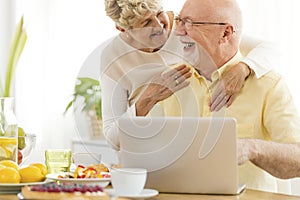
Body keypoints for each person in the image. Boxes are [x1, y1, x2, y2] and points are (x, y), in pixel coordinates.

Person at [155, 0, 300, 192]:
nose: (178, 31)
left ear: (225, 33)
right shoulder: (169, 82)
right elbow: (146, 151)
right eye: (180, 21)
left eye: (190, 23)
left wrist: (251, 148)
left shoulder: (268, 85)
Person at [101, 0, 278, 150]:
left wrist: (243, 67)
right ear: (122, 29)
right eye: (146, 23)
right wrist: (146, 100)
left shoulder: (184, 26)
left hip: (194, 141)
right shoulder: (113, 58)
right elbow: (112, 138)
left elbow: (268, 48)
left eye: (159, 13)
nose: (160, 25)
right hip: (147, 154)